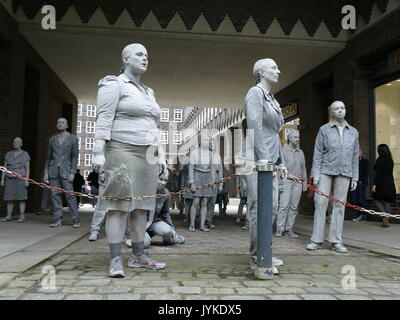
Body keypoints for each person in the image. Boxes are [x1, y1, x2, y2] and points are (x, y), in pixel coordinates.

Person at [92, 43, 168, 278]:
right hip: (121, 149)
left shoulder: (149, 91)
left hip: (147, 154)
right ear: (125, 58)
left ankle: (139, 256)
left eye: (147, 55)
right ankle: (116, 259)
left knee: (141, 206)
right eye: (139, 54)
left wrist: (161, 155)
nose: (145, 58)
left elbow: (154, 127)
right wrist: (97, 151)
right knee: (118, 205)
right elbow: (103, 118)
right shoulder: (113, 84)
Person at [242, 58, 288, 274]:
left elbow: (274, 134)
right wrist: (264, 160)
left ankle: (265, 251)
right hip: (255, 159)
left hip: (270, 159)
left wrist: (281, 161)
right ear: (261, 72)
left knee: (271, 208)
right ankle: (256, 257)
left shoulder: (272, 99)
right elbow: (254, 126)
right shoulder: (255, 93)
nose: (278, 70)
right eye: (273, 67)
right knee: (259, 207)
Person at [307, 101, 359, 253]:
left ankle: (336, 241)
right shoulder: (324, 129)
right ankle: (316, 240)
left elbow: (355, 156)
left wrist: (355, 177)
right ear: (332, 112)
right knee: (320, 202)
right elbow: (317, 153)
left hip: (345, 171)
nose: (340, 110)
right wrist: (315, 174)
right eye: (337, 109)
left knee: (339, 206)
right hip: (325, 170)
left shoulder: (353, 132)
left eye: (342, 108)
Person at [44, 118, 80, 228]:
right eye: (58, 122)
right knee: (55, 195)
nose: (60, 124)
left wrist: (73, 172)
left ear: (67, 125)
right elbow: (49, 157)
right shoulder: (52, 139)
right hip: (53, 171)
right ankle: (57, 219)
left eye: (63, 122)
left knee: (70, 196)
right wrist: (46, 172)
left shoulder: (73, 139)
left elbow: (75, 157)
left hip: (66, 171)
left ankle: (75, 219)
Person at [188, 133, 222, 232]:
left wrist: (212, 180)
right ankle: (192, 224)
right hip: (197, 176)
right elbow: (191, 168)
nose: (208, 142)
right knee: (196, 201)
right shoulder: (194, 153)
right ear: (200, 141)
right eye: (205, 140)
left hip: (207, 177)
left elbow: (212, 168)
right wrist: (192, 183)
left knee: (205, 202)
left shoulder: (211, 154)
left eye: (208, 140)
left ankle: (202, 225)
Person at [275, 130, 307, 237]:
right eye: (295, 137)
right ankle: (279, 229)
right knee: (283, 206)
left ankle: (289, 229)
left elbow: (303, 168)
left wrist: (305, 181)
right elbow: (279, 169)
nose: (297, 139)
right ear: (290, 138)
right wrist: (279, 184)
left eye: (298, 137)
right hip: (286, 181)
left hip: (298, 182)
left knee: (294, 207)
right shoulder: (283, 151)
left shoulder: (300, 152)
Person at [1, 137, 30, 223]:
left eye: (17, 142)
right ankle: (8, 215)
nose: (15, 143)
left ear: (21, 144)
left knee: (21, 198)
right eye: (14, 142)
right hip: (9, 178)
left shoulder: (25, 154)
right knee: (9, 198)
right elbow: (4, 167)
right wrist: (2, 179)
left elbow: (27, 169)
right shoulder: (8, 154)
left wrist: (27, 180)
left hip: (21, 178)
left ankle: (22, 216)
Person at [371, 144, 397, 228]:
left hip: (381, 184)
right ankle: (386, 220)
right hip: (390, 183)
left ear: (380, 151)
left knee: (376, 200)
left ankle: (385, 215)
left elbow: (378, 174)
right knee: (387, 201)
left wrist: (374, 185)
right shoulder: (390, 159)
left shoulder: (380, 160)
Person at [88, 169, 107, 241]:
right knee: (101, 205)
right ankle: (95, 230)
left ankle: (129, 234)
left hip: (123, 174)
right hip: (105, 176)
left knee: (124, 205)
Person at [352, 148, 370, 222]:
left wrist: (361, 181)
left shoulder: (365, 161)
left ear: (362, 153)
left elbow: (366, 172)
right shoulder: (353, 162)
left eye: (359, 152)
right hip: (353, 183)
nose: (357, 153)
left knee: (361, 200)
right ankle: (360, 215)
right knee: (354, 200)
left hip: (361, 183)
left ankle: (363, 216)